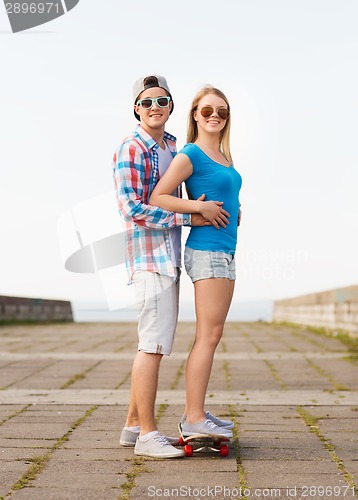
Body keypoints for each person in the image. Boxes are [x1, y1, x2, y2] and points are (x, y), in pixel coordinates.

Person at [112, 75, 229, 458]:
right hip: (150, 258)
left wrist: (212, 207)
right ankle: (147, 436)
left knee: (156, 341)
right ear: (136, 108)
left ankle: (132, 425)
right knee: (153, 345)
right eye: (147, 102)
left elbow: (186, 194)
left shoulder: (172, 146)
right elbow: (134, 209)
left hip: (172, 256)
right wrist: (192, 217)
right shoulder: (132, 149)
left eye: (163, 101)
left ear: (172, 107)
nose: (155, 107)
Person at [150, 85, 242, 439]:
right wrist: (198, 208)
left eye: (221, 111)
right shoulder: (190, 154)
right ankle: (192, 418)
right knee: (208, 335)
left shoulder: (222, 154)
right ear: (195, 115)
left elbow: (225, 193)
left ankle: (198, 411)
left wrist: (236, 210)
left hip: (226, 248)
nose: (215, 116)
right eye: (207, 111)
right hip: (207, 250)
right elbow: (159, 196)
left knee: (213, 335)